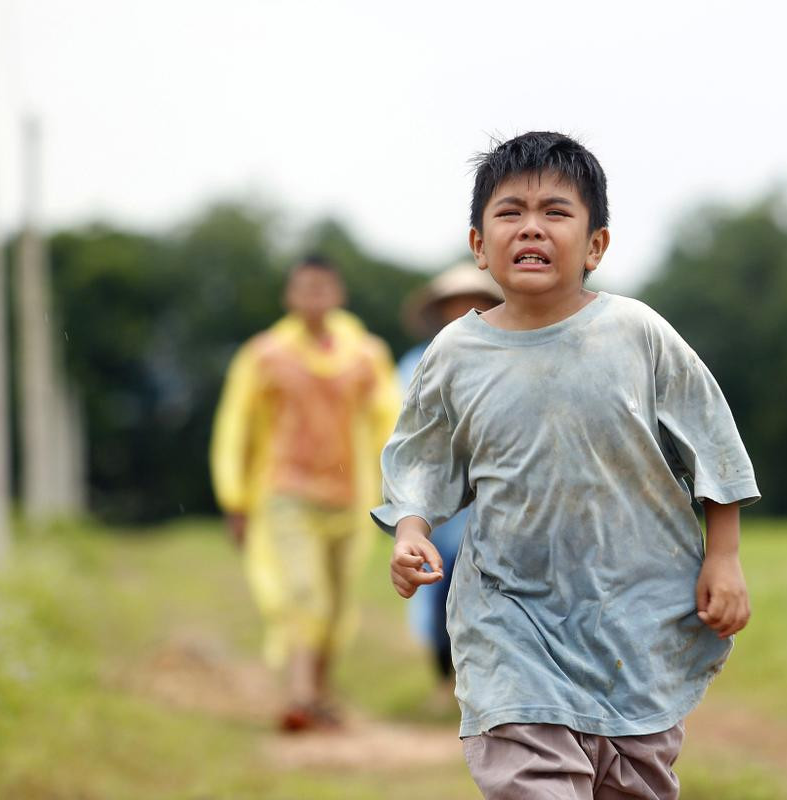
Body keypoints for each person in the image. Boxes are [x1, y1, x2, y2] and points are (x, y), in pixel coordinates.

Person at [374, 132, 759, 799]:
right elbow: (422, 458)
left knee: (633, 784)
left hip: (633, 614)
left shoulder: (637, 334)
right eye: (510, 211)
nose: (531, 227)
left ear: (596, 245)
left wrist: (723, 556)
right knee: (535, 784)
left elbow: (713, 446)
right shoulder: (456, 354)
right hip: (508, 617)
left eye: (556, 212)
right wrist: (410, 532)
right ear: (477, 243)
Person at [210, 254, 399, 732]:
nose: (314, 297)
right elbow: (236, 425)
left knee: (336, 606)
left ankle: (319, 695)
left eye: (323, 287)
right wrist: (235, 497)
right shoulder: (265, 354)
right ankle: (298, 697)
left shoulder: (366, 355)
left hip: (348, 497)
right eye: (304, 288)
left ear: (338, 295)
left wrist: (398, 488)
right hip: (286, 493)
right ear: (289, 296)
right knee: (304, 594)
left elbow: (390, 422)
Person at [397, 262, 503, 695]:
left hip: (497, 489)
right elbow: (408, 432)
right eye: (455, 304)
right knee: (444, 575)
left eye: (474, 303)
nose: (464, 311)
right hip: (441, 491)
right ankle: (448, 672)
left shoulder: (511, 356)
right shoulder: (417, 364)